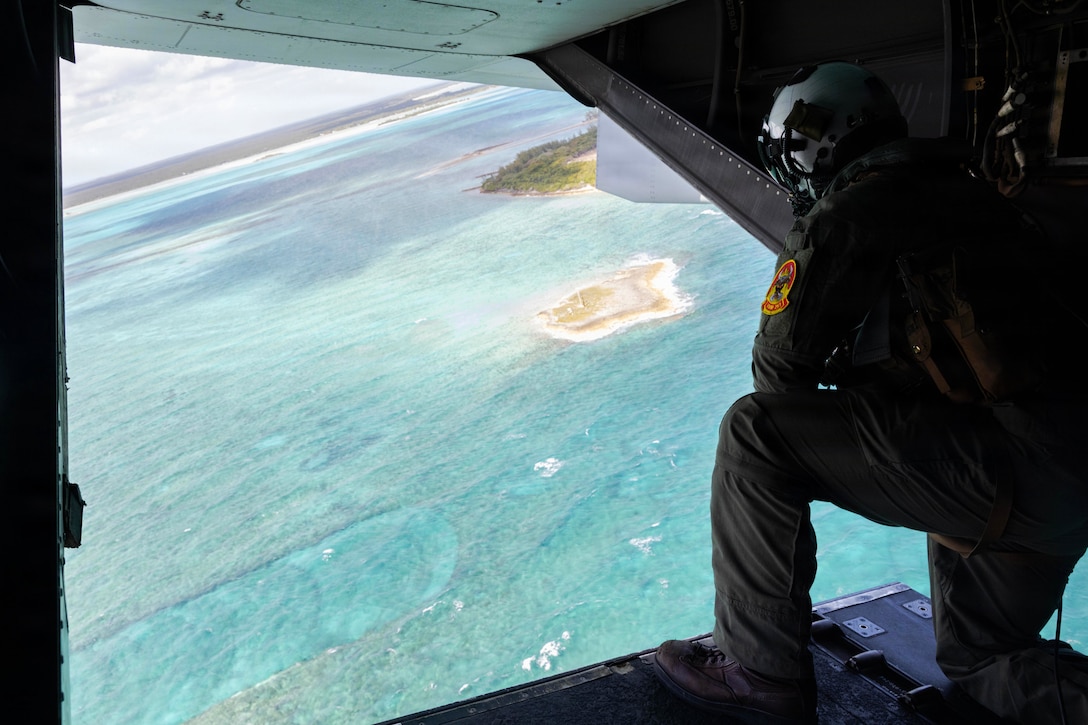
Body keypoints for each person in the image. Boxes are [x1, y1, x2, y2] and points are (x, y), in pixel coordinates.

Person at [651, 61, 1088, 724]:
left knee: (754, 435)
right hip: (1061, 479)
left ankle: (759, 672)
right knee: (982, 659)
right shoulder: (975, 196)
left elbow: (778, 379)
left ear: (811, 147)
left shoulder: (853, 211)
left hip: (1001, 472)